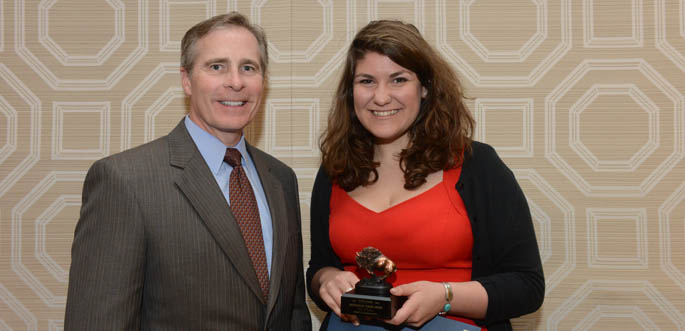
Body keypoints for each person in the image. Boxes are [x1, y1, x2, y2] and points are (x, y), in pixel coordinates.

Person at [65, 12, 311, 330]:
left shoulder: (280, 179)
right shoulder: (125, 181)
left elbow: (292, 311)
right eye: (216, 66)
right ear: (186, 79)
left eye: (248, 67)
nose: (236, 81)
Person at [307, 20, 543, 331]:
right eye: (366, 81)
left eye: (398, 79)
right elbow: (318, 268)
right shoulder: (333, 170)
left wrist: (445, 295)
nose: (380, 97)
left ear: (425, 88)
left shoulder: (478, 165)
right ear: (350, 92)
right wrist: (326, 280)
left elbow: (526, 286)